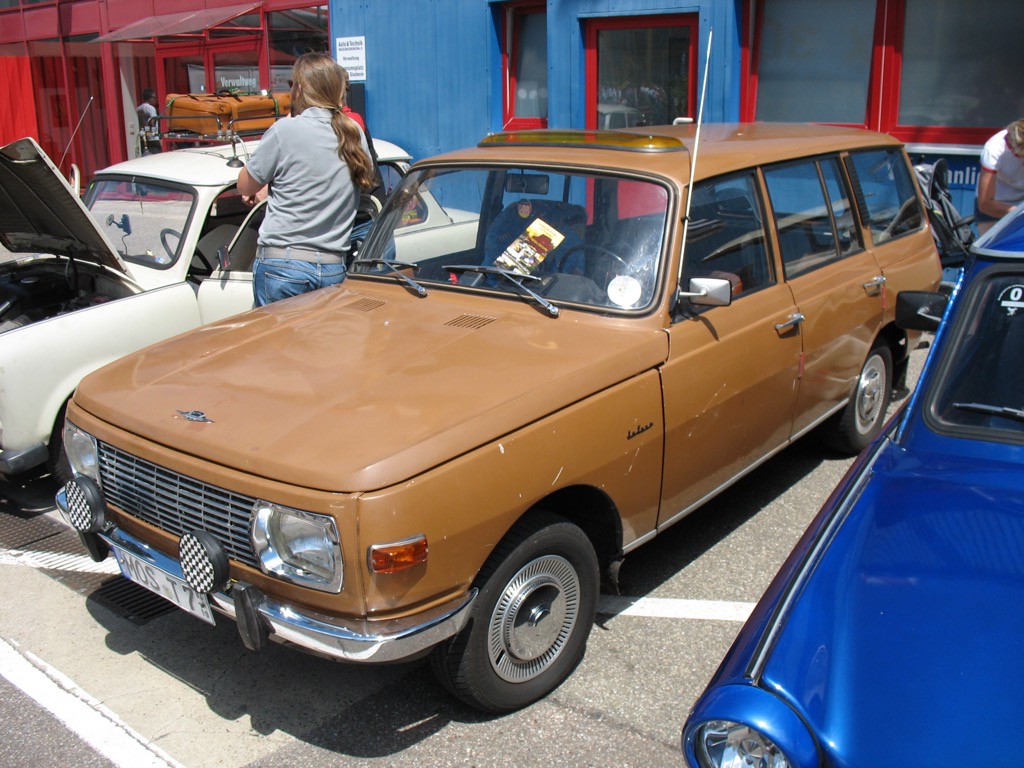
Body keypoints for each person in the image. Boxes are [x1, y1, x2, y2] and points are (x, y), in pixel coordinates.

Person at [237, 53, 375, 306]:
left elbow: (245, 186)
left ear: (299, 89)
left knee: (280, 345)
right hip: (333, 267)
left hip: (283, 265)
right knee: (325, 345)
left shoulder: (284, 130)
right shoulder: (353, 133)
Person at [975, 119, 1024, 234]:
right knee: (991, 250)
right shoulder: (994, 149)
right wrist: (1018, 213)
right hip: (995, 203)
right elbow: (985, 203)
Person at [135, 88, 160, 154]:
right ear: (149, 98)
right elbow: (153, 121)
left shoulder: (138, 108)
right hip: (153, 138)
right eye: (154, 97)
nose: (155, 99)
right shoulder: (151, 108)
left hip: (144, 138)